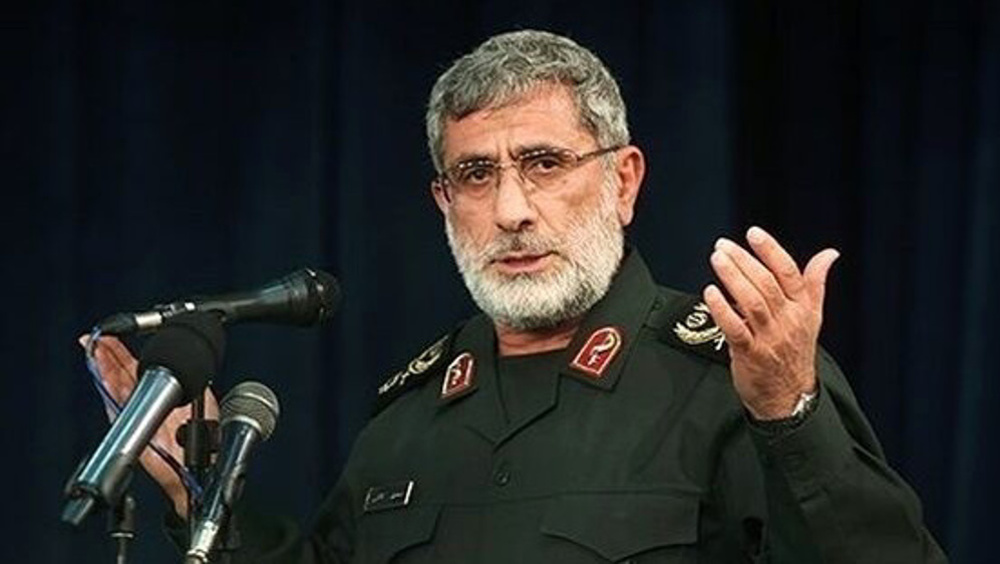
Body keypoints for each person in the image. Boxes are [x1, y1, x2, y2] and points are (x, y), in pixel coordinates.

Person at [86, 30, 948, 563]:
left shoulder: (737, 377)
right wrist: (199, 488)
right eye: (476, 174)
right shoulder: (408, 421)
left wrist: (792, 419)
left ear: (623, 181)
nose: (510, 209)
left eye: (543, 163)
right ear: (442, 203)